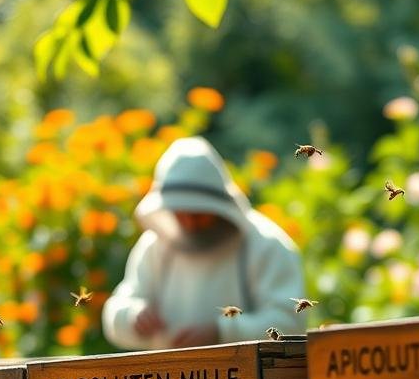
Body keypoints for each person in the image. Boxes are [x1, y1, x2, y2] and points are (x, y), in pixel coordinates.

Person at [102, 136, 307, 349]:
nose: (189, 224)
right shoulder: (156, 244)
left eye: (198, 214)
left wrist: (223, 332)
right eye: (181, 213)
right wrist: (133, 315)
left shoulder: (267, 245)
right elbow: (117, 309)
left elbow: (290, 323)